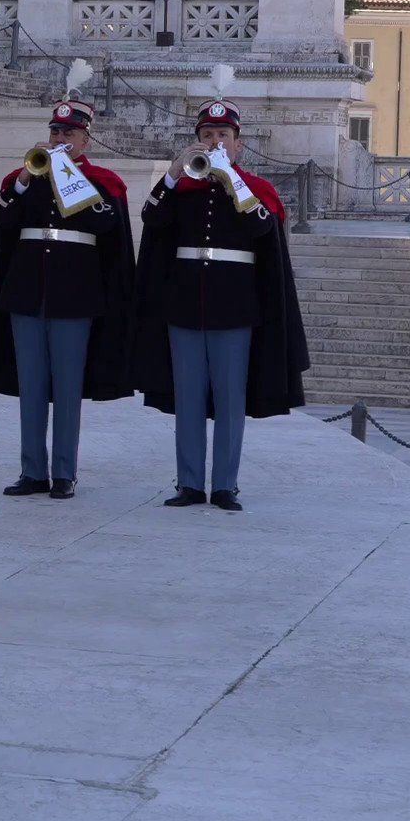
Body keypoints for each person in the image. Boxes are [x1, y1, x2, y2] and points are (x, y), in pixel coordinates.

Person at [132, 69, 308, 511]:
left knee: (231, 401)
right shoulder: (182, 189)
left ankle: (225, 484)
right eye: (207, 134)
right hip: (185, 307)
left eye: (223, 134)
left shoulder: (257, 191)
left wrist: (234, 183)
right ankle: (189, 483)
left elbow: (262, 231)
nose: (215, 142)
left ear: (238, 142)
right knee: (188, 399)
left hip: (236, 309)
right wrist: (172, 174)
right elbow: (151, 219)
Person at [0, 85, 135, 500]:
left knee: (66, 389)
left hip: (75, 297)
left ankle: (64, 472)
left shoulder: (100, 181)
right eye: (55, 133)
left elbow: (104, 225)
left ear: (85, 139)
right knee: (31, 388)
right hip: (26, 294)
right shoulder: (26, 177)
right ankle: (32, 471)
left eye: (69, 134)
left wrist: (68, 176)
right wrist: (26, 179)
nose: (60, 141)